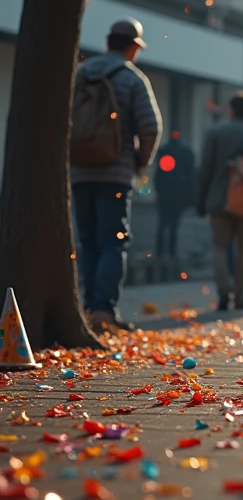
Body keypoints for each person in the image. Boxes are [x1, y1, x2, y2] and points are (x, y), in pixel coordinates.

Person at [71, 19, 162, 333]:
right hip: (116, 172)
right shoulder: (132, 78)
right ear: (133, 47)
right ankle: (103, 310)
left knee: (88, 241)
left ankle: (85, 305)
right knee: (113, 242)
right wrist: (140, 163)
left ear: (108, 41)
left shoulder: (80, 74)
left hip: (79, 171)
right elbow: (150, 126)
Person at [196, 91, 243, 311]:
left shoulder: (215, 132)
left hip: (219, 197)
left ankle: (223, 292)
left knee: (219, 246)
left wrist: (201, 199)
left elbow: (205, 169)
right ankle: (241, 296)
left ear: (231, 110)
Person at [153, 129, 196, 277]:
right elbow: (191, 177)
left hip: (165, 194)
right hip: (178, 195)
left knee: (162, 224)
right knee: (173, 226)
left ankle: (159, 253)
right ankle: (171, 253)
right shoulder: (186, 152)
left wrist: (158, 190)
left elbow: (158, 174)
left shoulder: (164, 150)